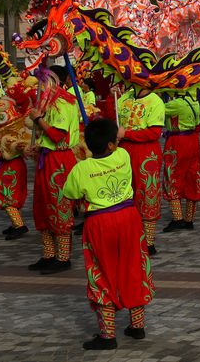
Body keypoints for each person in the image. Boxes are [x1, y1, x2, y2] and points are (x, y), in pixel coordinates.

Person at [62, 118, 155, 350]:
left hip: (100, 221)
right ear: (112, 144)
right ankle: (137, 325)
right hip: (128, 217)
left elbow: (70, 193)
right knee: (134, 266)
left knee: (100, 271)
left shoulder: (81, 168)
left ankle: (108, 334)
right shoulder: (123, 156)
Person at [27, 65, 79, 275]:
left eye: (43, 82)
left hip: (59, 160)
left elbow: (57, 135)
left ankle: (63, 257)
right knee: (42, 205)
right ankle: (49, 254)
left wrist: (38, 119)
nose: (40, 87)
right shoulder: (48, 103)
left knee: (59, 206)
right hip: (47, 159)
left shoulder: (62, 102)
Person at [116, 88, 165, 254]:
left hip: (146, 153)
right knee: (125, 194)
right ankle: (130, 238)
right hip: (123, 152)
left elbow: (154, 132)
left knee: (147, 194)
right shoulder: (123, 98)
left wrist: (127, 133)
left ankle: (148, 241)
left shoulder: (155, 100)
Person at [162, 92, 200, 232]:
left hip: (177, 142)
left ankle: (177, 218)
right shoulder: (195, 102)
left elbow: (157, 110)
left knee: (172, 176)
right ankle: (189, 219)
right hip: (193, 140)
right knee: (192, 177)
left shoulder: (175, 104)